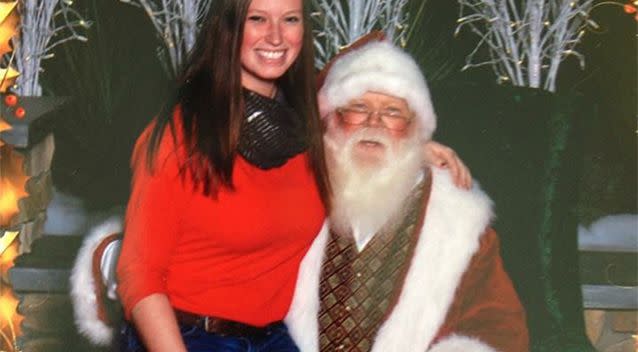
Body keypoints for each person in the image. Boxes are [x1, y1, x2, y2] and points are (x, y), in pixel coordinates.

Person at [114, 1, 470, 351]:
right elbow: (139, 275)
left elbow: (363, 108)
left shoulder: (306, 134)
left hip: (270, 337)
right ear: (228, 29)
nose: (275, 36)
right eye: (257, 19)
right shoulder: (178, 137)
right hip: (187, 335)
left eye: (290, 19)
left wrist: (409, 147)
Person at [284, 41, 529, 352]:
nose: (374, 122)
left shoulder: (456, 219)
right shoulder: (300, 190)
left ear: (415, 127)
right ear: (333, 119)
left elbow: (499, 325)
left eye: (393, 112)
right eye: (359, 108)